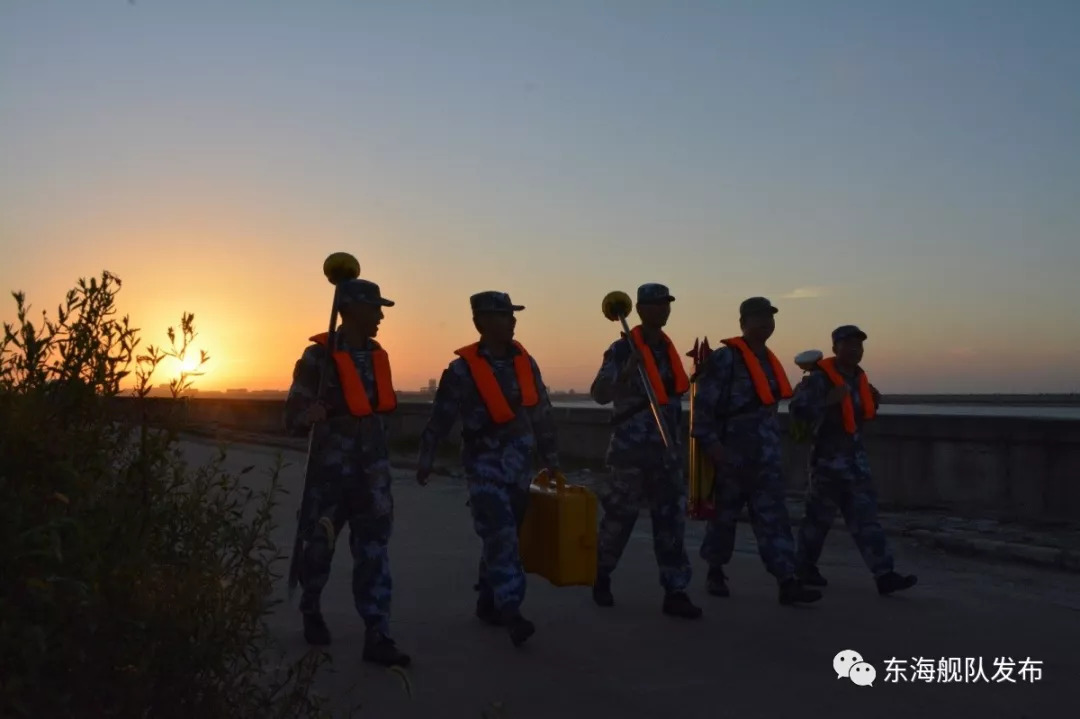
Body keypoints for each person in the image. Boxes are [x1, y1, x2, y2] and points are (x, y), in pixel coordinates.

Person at [415, 291, 560, 648]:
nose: (512, 321)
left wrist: (552, 457)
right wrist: (426, 456)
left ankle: (487, 602)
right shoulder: (461, 371)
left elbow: (541, 413)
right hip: (483, 464)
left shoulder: (526, 362)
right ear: (481, 322)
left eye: (513, 315)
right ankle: (512, 610)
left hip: (519, 465)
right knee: (499, 533)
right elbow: (441, 418)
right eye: (504, 315)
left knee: (505, 531)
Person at [284, 277, 410, 666]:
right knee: (319, 548)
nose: (381, 315)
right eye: (375, 307)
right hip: (328, 475)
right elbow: (292, 417)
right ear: (351, 309)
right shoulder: (317, 359)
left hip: (371, 474)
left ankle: (378, 632)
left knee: (374, 552)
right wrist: (311, 414)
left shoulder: (377, 355)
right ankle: (311, 607)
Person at [690, 297, 822, 605]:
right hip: (731, 453)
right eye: (758, 317)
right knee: (723, 518)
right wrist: (712, 446)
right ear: (743, 323)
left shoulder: (770, 361)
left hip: (765, 455)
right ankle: (715, 571)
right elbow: (703, 407)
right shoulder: (726, 358)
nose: (765, 322)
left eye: (769, 317)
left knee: (774, 518)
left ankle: (787, 581)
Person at [588, 283, 702, 619]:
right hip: (630, 452)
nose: (665, 309)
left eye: (668, 304)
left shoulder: (667, 350)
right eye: (658, 304)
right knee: (618, 519)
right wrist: (625, 373)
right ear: (641, 309)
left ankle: (676, 590)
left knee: (670, 523)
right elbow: (599, 394)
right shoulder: (622, 349)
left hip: (666, 450)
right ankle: (601, 575)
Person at [790, 325, 918, 595]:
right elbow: (797, 409)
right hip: (827, 463)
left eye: (859, 345)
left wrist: (873, 402)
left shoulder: (861, 380)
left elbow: (860, 415)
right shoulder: (818, 379)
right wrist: (826, 401)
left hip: (855, 462)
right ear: (835, 347)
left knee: (866, 519)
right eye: (848, 344)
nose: (855, 349)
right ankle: (803, 568)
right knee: (817, 521)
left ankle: (884, 574)